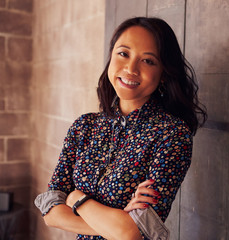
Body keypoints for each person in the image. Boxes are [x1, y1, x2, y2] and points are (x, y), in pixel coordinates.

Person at [34, 17, 207, 240]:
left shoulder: (171, 135)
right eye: (123, 54)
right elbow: (50, 212)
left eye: (148, 61)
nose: (131, 68)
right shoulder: (84, 126)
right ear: (111, 56)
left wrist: (76, 198)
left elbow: (134, 234)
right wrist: (116, 226)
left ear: (163, 73)